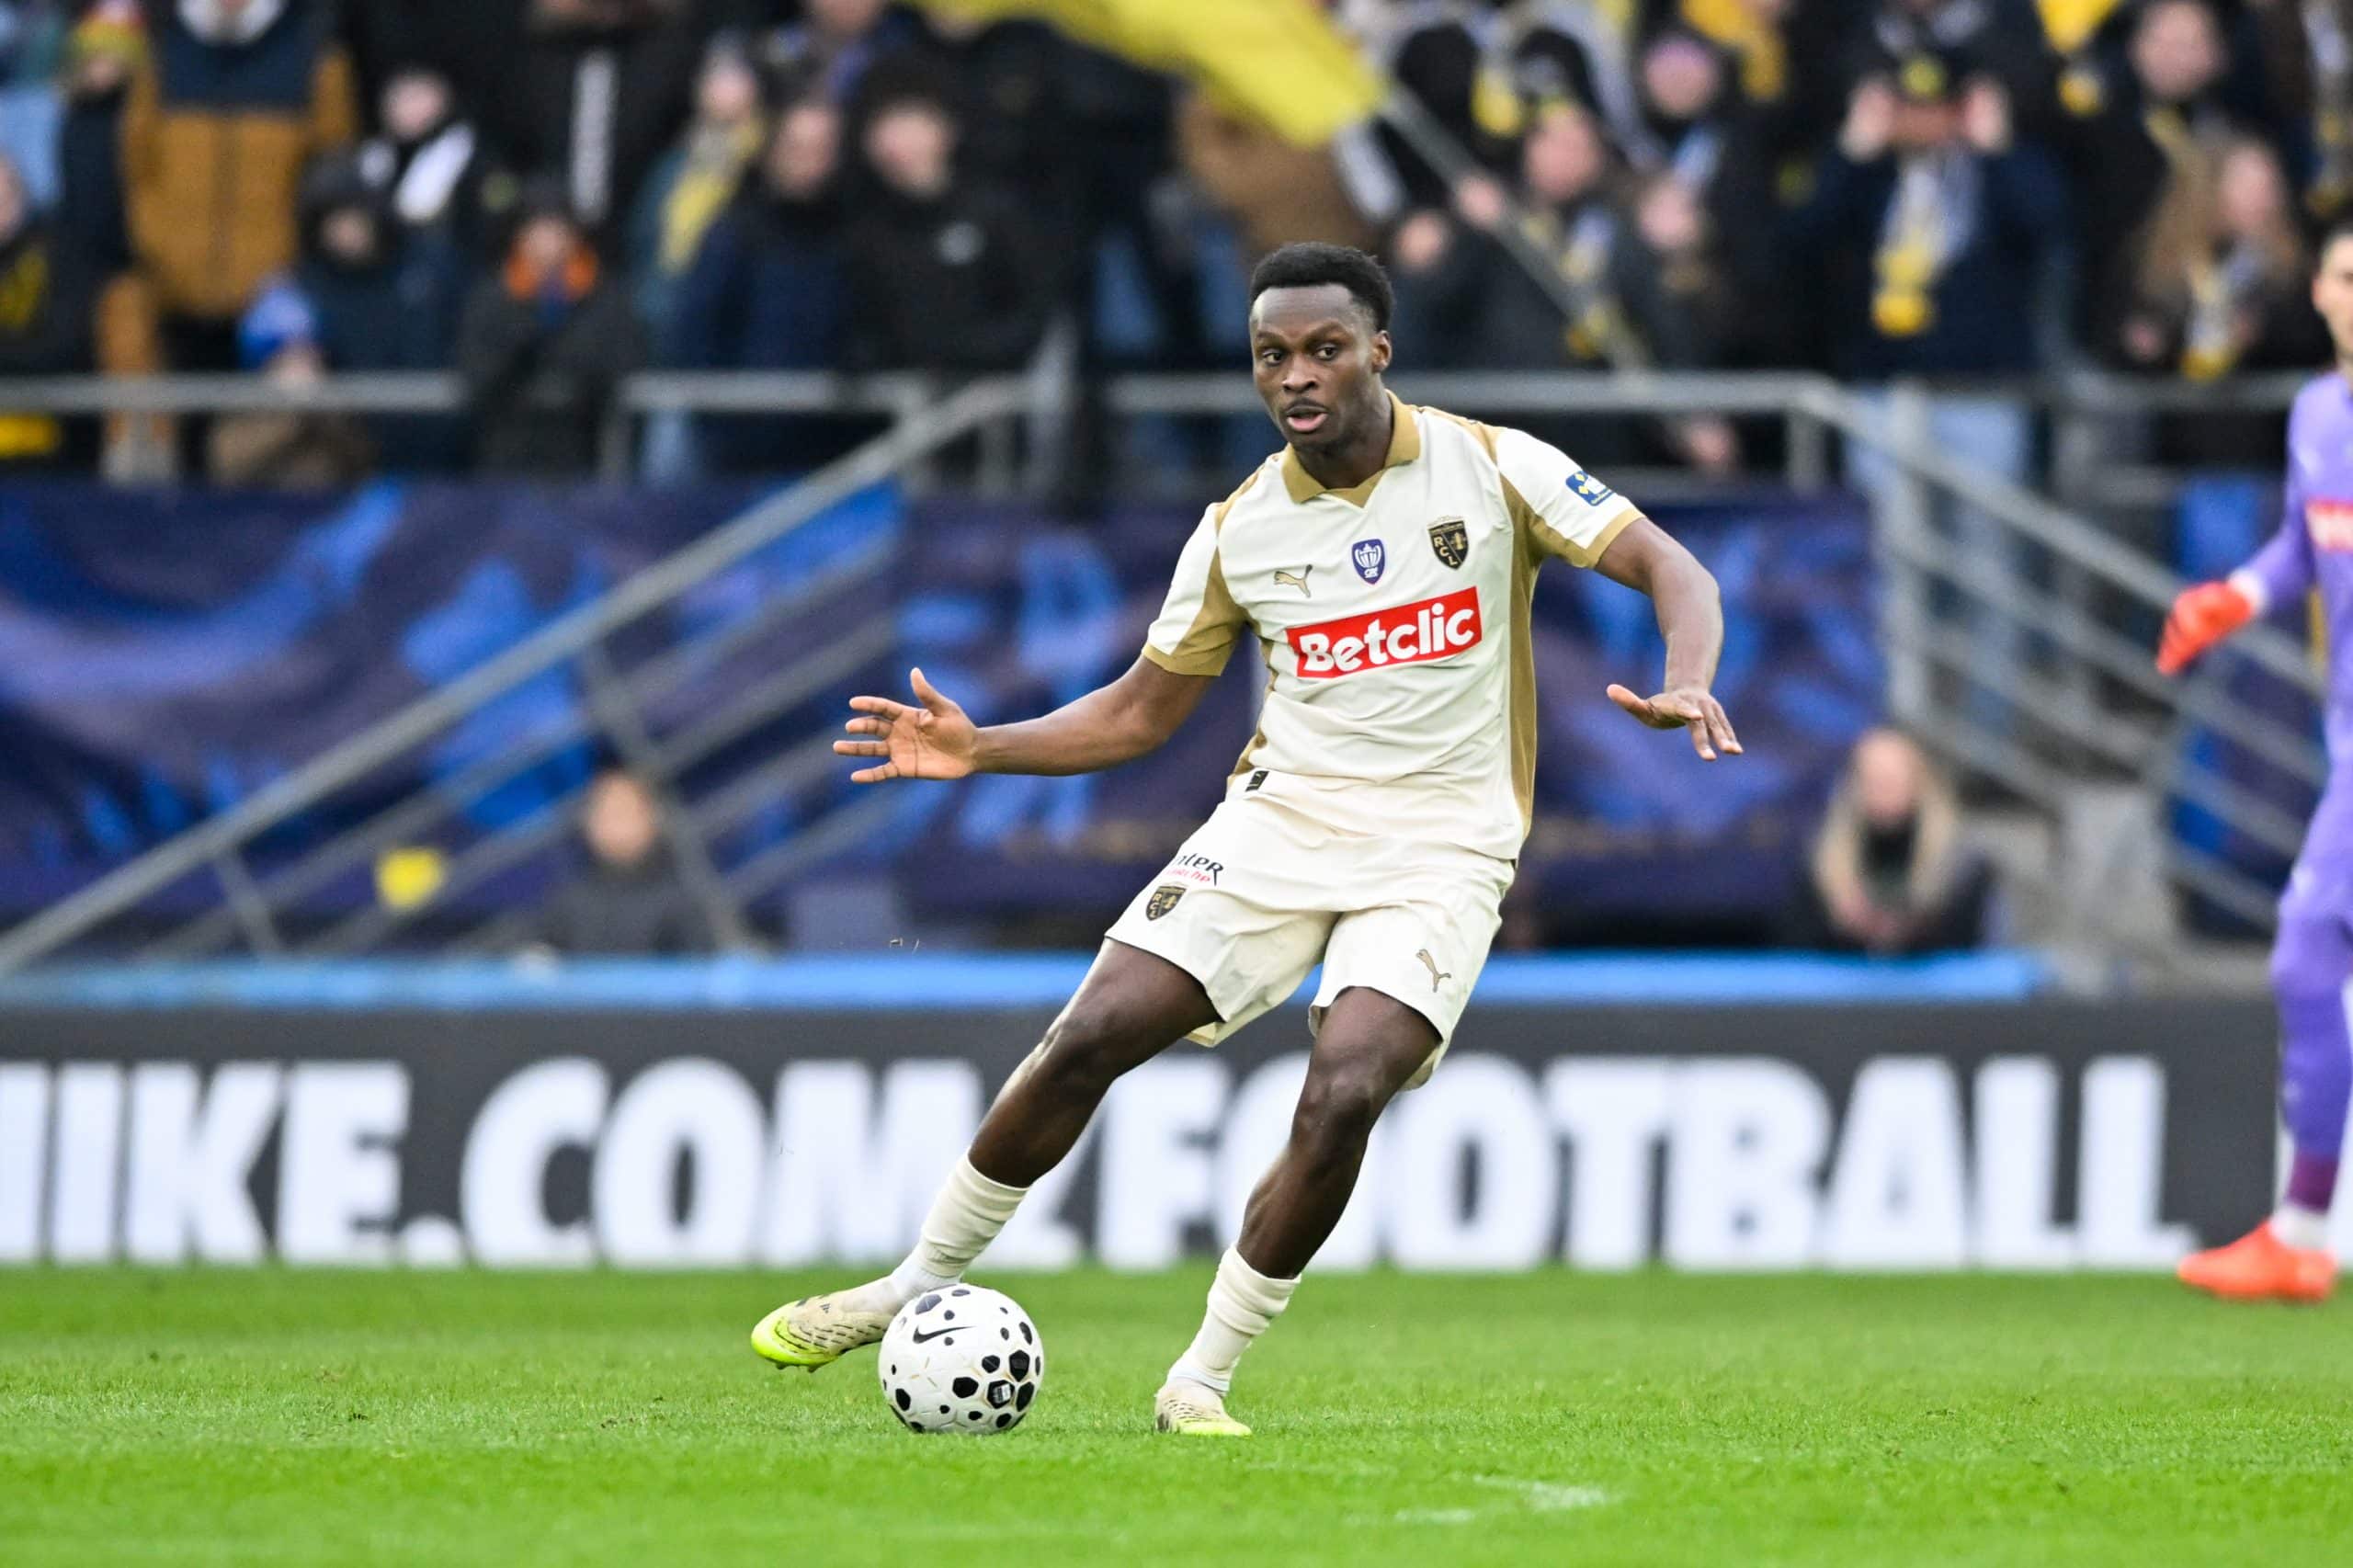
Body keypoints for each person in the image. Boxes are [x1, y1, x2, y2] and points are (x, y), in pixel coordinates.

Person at [749, 243, 1738, 1436]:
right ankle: (914, 1281)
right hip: (1281, 823)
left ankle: (1200, 1377)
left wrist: (1687, 677)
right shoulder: (1241, 529)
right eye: (1272, 354)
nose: (1297, 374)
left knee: (1346, 1087)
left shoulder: (1493, 466)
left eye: (1323, 347)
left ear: (1378, 348)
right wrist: (983, 746)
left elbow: (1669, 564)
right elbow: (1138, 712)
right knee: (1090, 1033)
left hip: (1442, 848)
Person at [2156, 217, 2353, 1306]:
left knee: (2305, 952)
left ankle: (2303, 1228)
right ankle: (2302, 1231)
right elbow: (2303, 545)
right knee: (2307, 959)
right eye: (2346, 276)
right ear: (2318, 293)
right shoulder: (2318, 415)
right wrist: (2235, 594)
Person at [454, 184, 642, 476]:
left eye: (557, 229)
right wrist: (521, 345)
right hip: (506, 454)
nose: (549, 241)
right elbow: (475, 374)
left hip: (582, 454)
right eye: (538, 228)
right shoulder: (493, 297)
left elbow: (619, 364)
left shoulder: (603, 295)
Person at [1786, 728, 1994, 955]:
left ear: (1919, 781)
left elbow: (1973, 948)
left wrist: (1911, 928)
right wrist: (1844, 923)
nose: (1883, 789)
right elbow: (1798, 947)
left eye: (1892, 778)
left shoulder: (1962, 865)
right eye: (1872, 779)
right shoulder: (1821, 859)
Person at [533, 767, 710, 955]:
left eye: (625, 812)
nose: (615, 825)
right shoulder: (570, 899)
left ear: (653, 819)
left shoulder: (683, 900)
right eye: (605, 813)